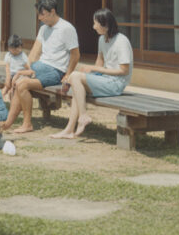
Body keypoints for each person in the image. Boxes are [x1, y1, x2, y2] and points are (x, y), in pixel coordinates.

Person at [1, 0, 80, 134]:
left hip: (56, 71)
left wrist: (67, 75)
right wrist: (25, 69)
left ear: (52, 11)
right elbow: (34, 53)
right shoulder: (44, 29)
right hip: (40, 67)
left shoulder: (67, 28)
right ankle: (8, 122)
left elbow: (75, 55)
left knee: (22, 84)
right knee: (19, 81)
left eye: (42, 14)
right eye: (39, 14)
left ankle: (26, 124)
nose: (39, 18)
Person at [51, 8, 133, 139]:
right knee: (75, 79)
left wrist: (94, 70)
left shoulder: (121, 41)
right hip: (105, 79)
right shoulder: (102, 39)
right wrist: (87, 75)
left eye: (96, 23)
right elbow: (99, 61)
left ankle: (82, 116)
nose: (93, 27)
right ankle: (69, 129)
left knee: (75, 76)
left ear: (105, 24)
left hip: (116, 83)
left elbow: (124, 70)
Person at [1, 34, 32, 99]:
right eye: (13, 49)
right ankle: (0, 99)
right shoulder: (8, 55)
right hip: (12, 75)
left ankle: (11, 97)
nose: (16, 51)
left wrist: (19, 74)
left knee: (14, 88)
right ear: (9, 48)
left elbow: (29, 70)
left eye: (18, 48)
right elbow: (7, 68)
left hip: (20, 76)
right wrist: (8, 79)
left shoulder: (22, 56)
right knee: (6, 87)